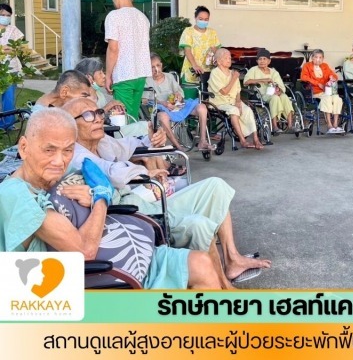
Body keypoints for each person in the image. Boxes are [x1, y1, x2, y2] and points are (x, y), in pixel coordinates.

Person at [0, 108, 222, 289]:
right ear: (24, 148)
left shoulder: (60, 175)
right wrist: (101, 198)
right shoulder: (17, 195)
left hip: (128, 252)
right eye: (49, 150)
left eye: (67, 150)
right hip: (95, 277)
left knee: (201, 263)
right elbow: (84, 252)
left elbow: (109, 192)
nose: (59, 161)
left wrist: (97, 194)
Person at [62, 97, 270, 285]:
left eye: (98, 112)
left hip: (141, 201)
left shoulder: (102, 142)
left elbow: (129, 144)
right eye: (88, 115)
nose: (98, 118)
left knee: (216, 187)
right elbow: (113, 172)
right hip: (133, 213)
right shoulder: (75, 155)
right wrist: (145, 172)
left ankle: (232, 259)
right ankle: (222, 281)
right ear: (70, 126)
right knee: (200, 222)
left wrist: (151, 140)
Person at [144, 53, 216, 152]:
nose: (156, 69)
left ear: (161, 65)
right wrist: (163, 103)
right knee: (162, 116)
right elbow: (145, 100)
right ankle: (178, 147)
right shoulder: (147, 80)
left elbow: (179, 91)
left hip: (176, 106)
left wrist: (178, 96)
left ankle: (202, 141)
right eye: (152, 67)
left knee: (202, 107)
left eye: (158, 65)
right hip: (161, 107)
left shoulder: (169, 76)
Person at [105, 0, 152, 120]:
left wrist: (108, 75)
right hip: (140, 74)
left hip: (123, 74)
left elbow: (113, 48)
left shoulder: (114, 16)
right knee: (133, 115)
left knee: (122, 118)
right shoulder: (143, 18)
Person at [208, 48, 264, 149]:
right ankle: (243, 140)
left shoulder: (232, 72)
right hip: (220, 102)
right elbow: (224, 91)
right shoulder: (215, 73)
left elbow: (238, 90)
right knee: (234, 110)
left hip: (233, 101)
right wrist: (234, 78)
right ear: (219, 61)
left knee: (248, 110)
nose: (229, 60)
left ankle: (256, 139)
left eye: (230, 58)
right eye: (226, 58)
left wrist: (238, 101)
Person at [243, 49, 294, 134]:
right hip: (261, 95)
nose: (262, 61)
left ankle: (290, 125)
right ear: (257, 61)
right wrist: (263, 80)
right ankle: (275, 126)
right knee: (275, 98)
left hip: (274, 93)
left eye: (264, 59)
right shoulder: (253, 70)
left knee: (284, 97)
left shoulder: (274, 72)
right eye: (260, 59)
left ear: (269, 61)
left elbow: (281, 85)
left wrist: (278, 89)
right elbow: (246, 82)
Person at [179, 6, 221, 95]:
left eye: (206, 19)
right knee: (190, 100)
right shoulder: (188, 31)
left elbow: (217, 50)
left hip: (208, 74)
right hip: (191, 71)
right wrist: (195, 65)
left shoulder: (212, 32)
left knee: (206, 100)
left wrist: (217, 58)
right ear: (195, 18)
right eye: (201, 19)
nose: (203, 21)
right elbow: (187, 50)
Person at [300, 49, 344, 134]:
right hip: (315, 91)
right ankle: (329, 125)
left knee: (337, 98)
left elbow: (333, 75)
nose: (318, 59)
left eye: (320, 57)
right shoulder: (307, 66)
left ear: (323, 58)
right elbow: (304, 77)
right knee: (327, 99)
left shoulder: (325, 66)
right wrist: (318, 83)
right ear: (312, 58)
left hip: (327, 90)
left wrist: (332, 78)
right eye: (316, 57)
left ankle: (335, 124)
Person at [0, 3, 25, 129]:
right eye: (2, 15)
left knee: (8, 98)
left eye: (8, 15)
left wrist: (8, 49)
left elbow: (18, 48)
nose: (5, 17)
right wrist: (3, 49)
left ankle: (8, 124)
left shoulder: (13, 30)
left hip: (11, 68)